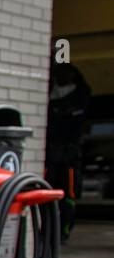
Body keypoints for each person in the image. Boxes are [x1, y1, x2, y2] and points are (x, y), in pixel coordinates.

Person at [45, 62, 90, 242]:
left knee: (69, 194)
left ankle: (63, 231)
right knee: (47, 191)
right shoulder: (50, 93)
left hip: (70, 156)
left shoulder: (80, 96)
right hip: (51, 153)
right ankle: (46, 230)